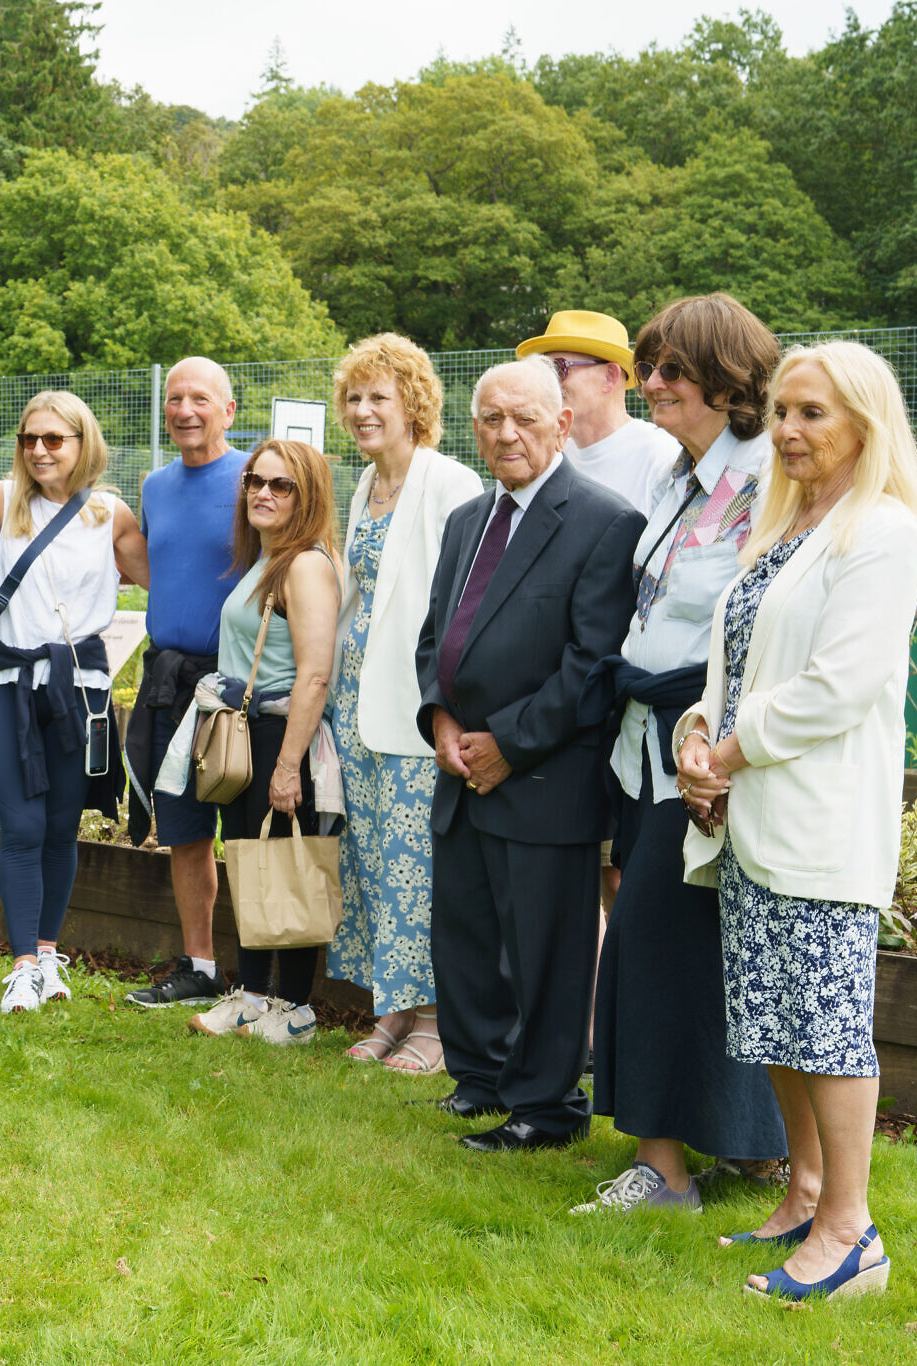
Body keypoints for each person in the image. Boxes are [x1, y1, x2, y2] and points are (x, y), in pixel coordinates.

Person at [676, 341, 917, 1300]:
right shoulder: (785, 527)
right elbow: (731, 666)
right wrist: (694, 735)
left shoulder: (881, 531)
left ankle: (850, 1236)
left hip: (818, 822)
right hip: (749, 821)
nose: (787, 429)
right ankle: (803, 1196)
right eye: (782, 411)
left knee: (826, 1028)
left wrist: (730, 752)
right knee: (777, 1022)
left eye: (812, 414)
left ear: (864, 425)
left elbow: (839, 686)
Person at [582, 294, 786, 1214]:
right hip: (643, 748)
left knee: (656, 947)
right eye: (648, 367)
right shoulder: (675, 475)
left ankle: (666, 1172)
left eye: (670, 370)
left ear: (727, 380)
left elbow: (768, 624)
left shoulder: (770, 481)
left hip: (709, 756)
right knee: (677, 948)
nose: (651, 384)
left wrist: (717, 738)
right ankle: (735, 1148)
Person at [414, 358, 644, 1151]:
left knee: (546, 954)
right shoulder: (466, 519)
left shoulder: (604, 521)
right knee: (468, 938)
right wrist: (440, 720)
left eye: (523, 418)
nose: (505, 434)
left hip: (542, 776)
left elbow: (591, 665)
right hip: (461, 770)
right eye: (489, 419)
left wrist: (508, 744)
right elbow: (435, 638)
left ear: (563, 423)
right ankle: (479, 1077)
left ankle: (547, 1108)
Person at [0, 391, 147, 1013]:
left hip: (81, 694)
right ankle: (20, 968)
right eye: (28, 439)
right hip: (6, 686)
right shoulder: (2, 500)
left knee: (62, 829)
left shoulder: (110, 514)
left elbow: (162, 577)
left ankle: (47, 956)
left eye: (53, 439)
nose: (38, 450)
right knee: (22, 826)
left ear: (81, 443)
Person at [328, 334, 482, 1073]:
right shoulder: (364, 485)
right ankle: (392, 1012)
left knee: (417, 867)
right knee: (373, 864)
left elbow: (467, 601)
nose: (362, 411)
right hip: (356, 706)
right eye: (353, 398)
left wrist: (448, 702)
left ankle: (436, 1025)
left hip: (416, 709)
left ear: (413, 404)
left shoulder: (448, 482)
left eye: (377, 398)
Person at [181, 439, 339, 1045]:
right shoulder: (267, 559)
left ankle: (296, 1012)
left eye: (281, 485)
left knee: (287, 865)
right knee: (251, 863)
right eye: (254, 481)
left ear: (309, 495)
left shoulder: (304, 564)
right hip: (250, 731)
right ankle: (250, 1000)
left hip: (280, 732)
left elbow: (315, 672)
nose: (262, 493)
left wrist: (289, 764)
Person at [120, 357, 248, 1008]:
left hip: (241, 688)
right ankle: (200, 966)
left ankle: (262, 980)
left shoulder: (258, 476)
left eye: (201, 398)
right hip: (172, 684)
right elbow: (156, 565)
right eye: (175, 398)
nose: (185, 409)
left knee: (251, 834)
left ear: (229, 410)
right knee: (186, 831)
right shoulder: (156, 486)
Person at [516, 310, 676, 512]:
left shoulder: (661, 457)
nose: (548, 384)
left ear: (610, 376)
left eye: (558, 368)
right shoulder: (551, 454)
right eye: (543, 372)